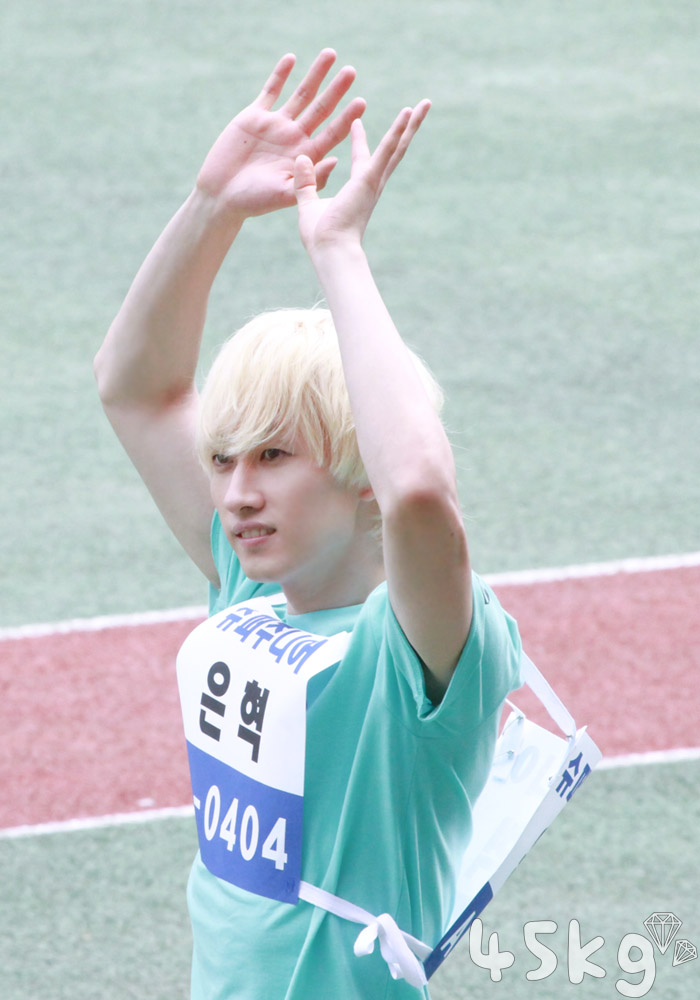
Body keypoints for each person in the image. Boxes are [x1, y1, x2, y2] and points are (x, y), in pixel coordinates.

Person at [94, 49, 522, 1000]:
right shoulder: (250, 590)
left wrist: (337, 253)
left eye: (275, 456)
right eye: (224, 459)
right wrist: (210, 208)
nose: (237, 493)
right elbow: (137, 389)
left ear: (359, 469)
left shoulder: (416, 653)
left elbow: (420, 491)